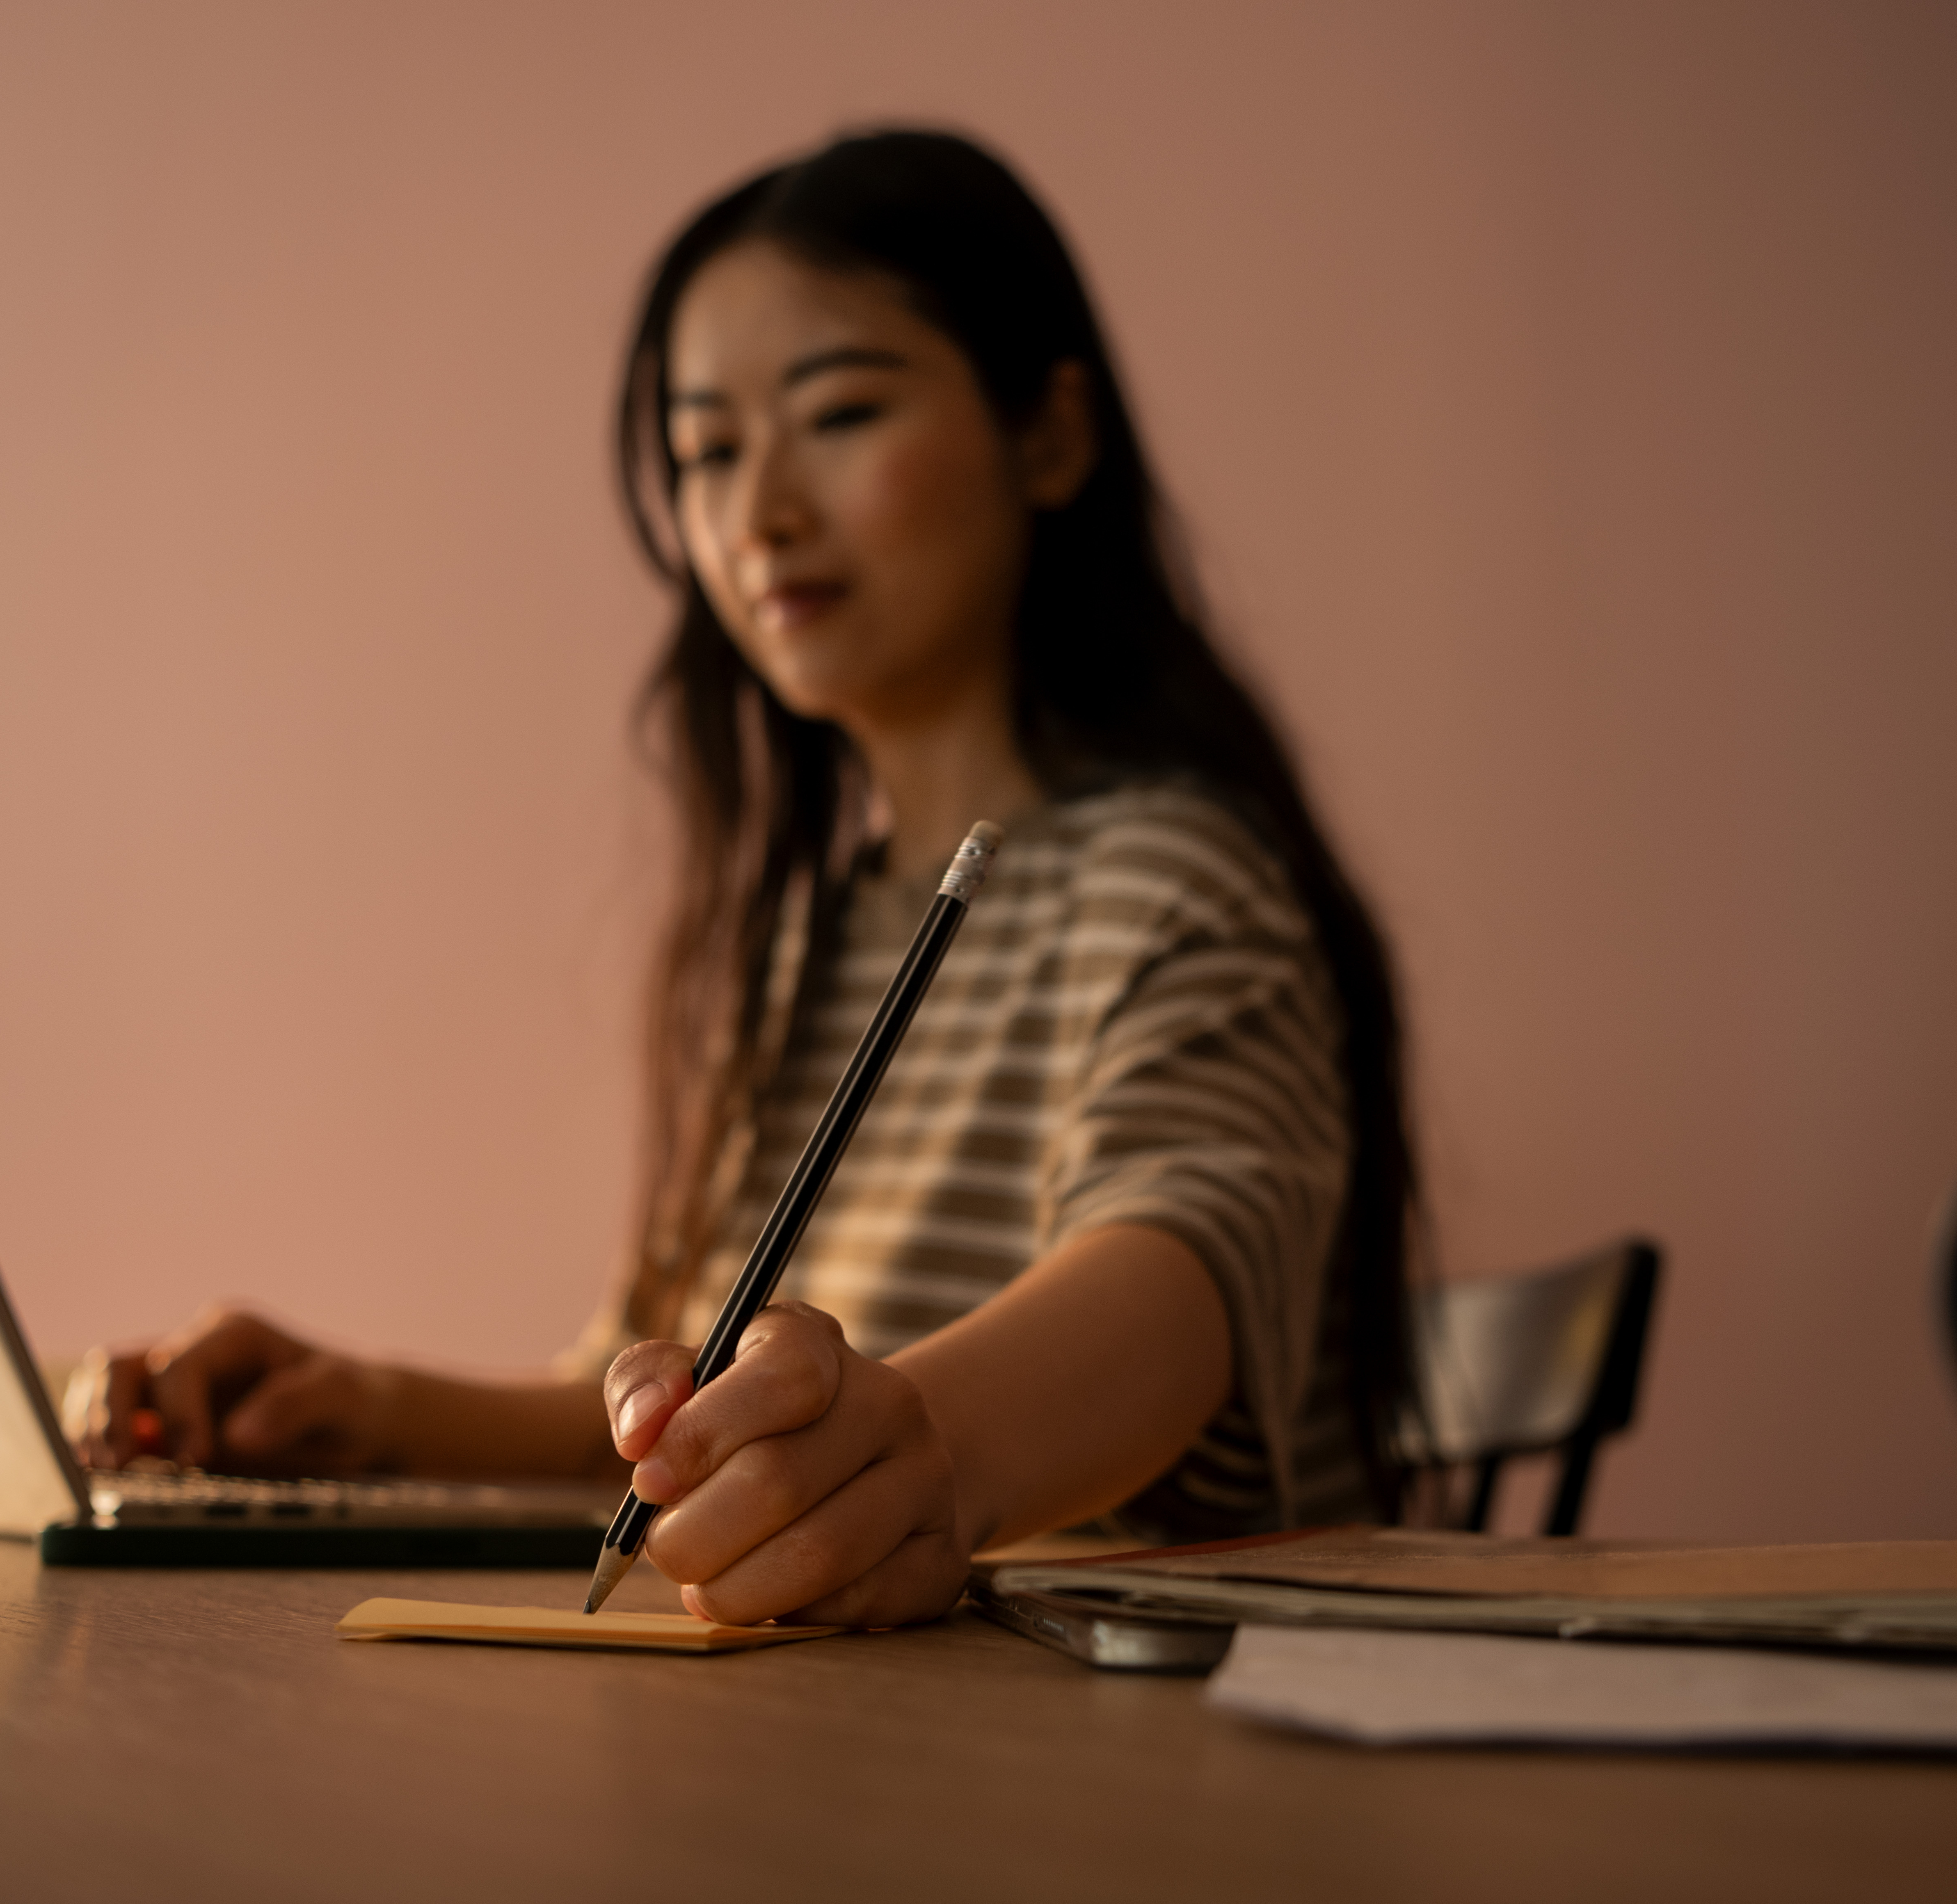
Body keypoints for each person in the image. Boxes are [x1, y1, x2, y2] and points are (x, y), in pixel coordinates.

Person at [78, 128, 1417, 1628]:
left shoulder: (1182, 877)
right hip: (825, 1724)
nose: (759, 508)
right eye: (707, 451)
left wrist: (923, 1448)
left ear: (1047, 435)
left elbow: (1178, 1281)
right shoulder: (796, 941)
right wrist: (362, 1407)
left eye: (839, 412)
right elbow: (678, 1399)